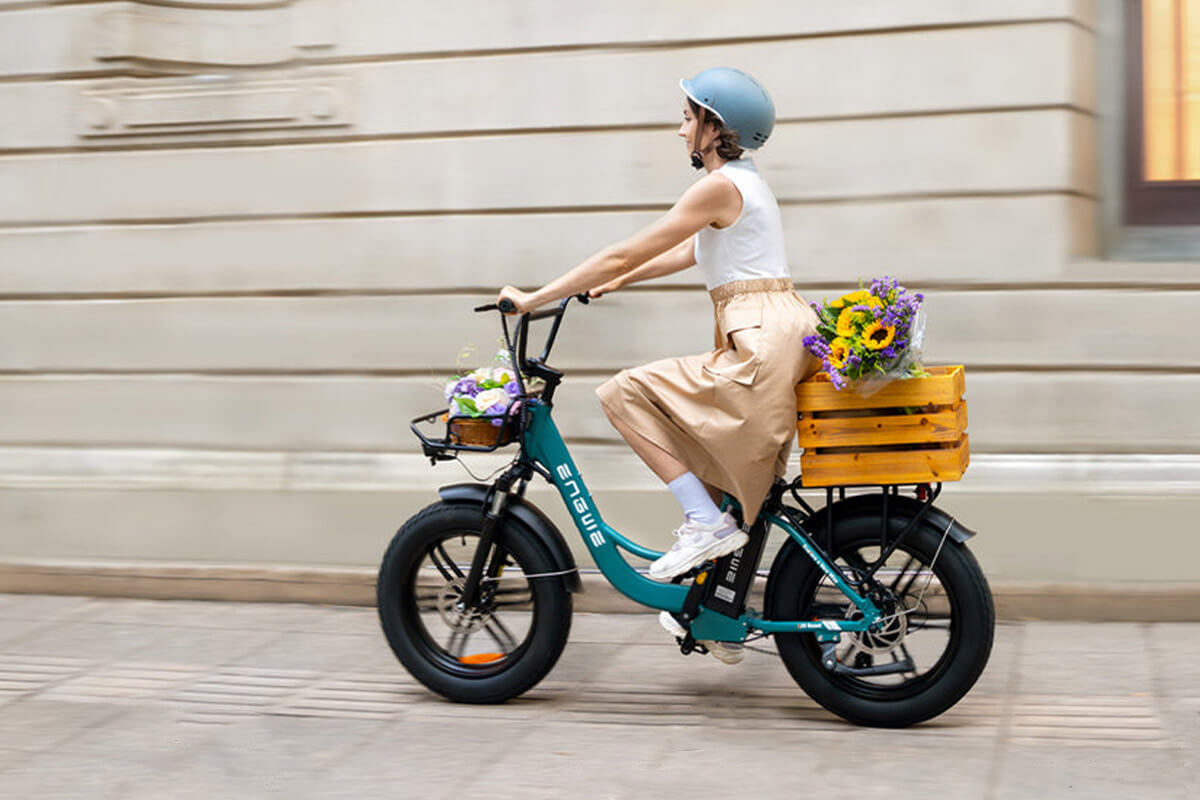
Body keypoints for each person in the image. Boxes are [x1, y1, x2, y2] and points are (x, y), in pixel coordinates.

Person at [496, 68, 821, 663]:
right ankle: (717, 610)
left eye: (688, 117)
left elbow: (629, 246)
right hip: (776, 329)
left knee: (625, 393)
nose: (680, 130)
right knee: (718, 455)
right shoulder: (746, 185)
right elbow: (690, 250)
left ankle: (704, 525)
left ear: (714, 127)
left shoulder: (718, 188)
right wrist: (619, 282)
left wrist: (536, 296)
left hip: (758, 338)